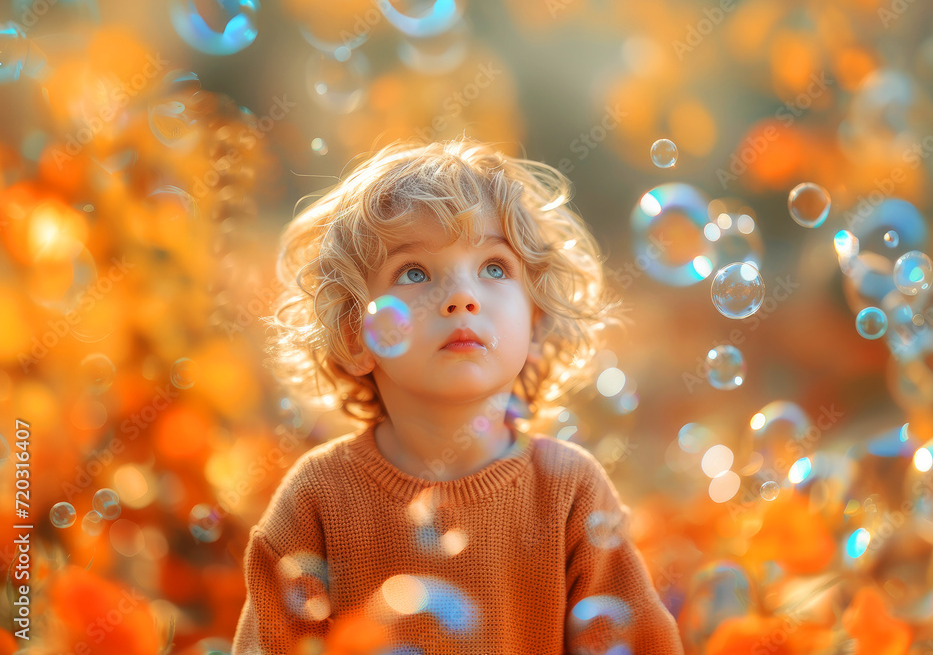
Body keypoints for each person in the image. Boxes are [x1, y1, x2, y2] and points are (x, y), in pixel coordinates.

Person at [232, 137, 683, 654]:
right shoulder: (317, 498)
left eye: (494, 267)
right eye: (415, 272)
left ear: (537, 322)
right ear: (357, 335)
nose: (462, 297)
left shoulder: (567, 491)